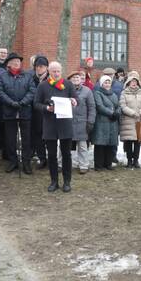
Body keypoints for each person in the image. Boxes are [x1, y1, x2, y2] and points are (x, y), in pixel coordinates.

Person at [34, 61, 77, 192]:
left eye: (58, 71)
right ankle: (54, 181)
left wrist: (75, 101)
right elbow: (36, 104)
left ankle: (67, 182)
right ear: (49, 72)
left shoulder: (68, 84)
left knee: (66, 154)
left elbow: (75, 99)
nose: (56, 73)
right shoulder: (43, 86)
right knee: (52, 155)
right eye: (54, 71)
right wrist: (47, 108)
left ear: (61, 71)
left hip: (65, 124)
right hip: (50, 124)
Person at [0, 52, 34, 174]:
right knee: (10, 139)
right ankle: (13, 161)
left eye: (18, 61)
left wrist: (22, 103)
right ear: (9, 64)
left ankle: (26, 162)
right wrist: (11, 103)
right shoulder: (2, 77)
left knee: (27, 139)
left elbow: (32, 91)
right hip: (9, 112)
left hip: (25, 111)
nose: (17, 63)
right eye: (14, 61)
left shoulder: (28, 76)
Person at [118, 71, 141, 169]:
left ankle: (136, 161)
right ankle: (129, 161)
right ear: (128, 82)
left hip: (139, 121)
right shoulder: (124, 93)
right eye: (132, 81)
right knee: (128, 142)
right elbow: (123, 106)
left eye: (135, 81)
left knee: (138, 142)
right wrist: (132, 113)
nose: (134, 83)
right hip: (128, 121)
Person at [68, 69, 95, 173]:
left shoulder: (87, 91)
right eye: (73, 77)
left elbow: (92, 107)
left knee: (82, 146)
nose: (76, 79)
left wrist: (90, 121)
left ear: (81, 79)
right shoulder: (65, 90)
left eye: (77, 77)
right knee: (63, 145)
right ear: (69, 80)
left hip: (82, 123)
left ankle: (84, 165)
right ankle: (62, 164)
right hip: (67, 122)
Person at [91, 75, 120, 170]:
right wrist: (111, 113)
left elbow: (118, 106)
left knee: (110, 144)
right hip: (102, 122)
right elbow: (99, 106)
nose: (107, 84)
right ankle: (98, 165)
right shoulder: (97, 93)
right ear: (101, 84)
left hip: (112, 123)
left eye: (109, 82)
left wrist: (117, 113)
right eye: (105, 82)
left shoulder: (114, 94)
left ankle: (108, 163)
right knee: (100, 144)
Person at [30, 55, 50, 169]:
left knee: (49, 137)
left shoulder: (51, 79)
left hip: (48, 112)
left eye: (41, 66)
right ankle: (42, 158)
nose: (39, 68)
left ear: (46, 68)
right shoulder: (32, 78)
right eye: (37, 66)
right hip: (35, 112)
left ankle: (51, 157)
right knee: (38, 136)